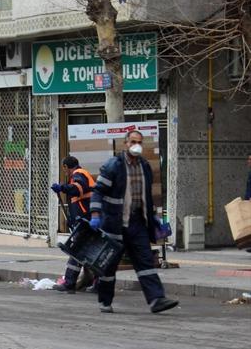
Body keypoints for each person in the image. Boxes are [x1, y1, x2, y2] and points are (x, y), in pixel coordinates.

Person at [90, 131, 179, 313]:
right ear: (125, 144)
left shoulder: (145, 166)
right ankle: (105, 301)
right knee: (110, 265)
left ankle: (156, 299)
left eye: (139, 142)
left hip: (137, 223)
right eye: (133, 141)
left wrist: (153, 216)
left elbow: (147, 195)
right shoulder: (113, 165)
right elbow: (98, 191)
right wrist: (95, 214)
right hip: (115, 224)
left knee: (145, 261)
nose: (136, 145)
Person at [50, 156, 96, 294]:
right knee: (90, 253)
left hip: (86, 220)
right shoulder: (80, 174)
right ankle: (96, 282)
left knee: (76, 251)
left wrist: (62, 188)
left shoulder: (79, 174)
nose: (64, 171)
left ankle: (70, 283)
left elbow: (77, 189)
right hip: (85, 219)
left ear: (65, 167)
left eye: (63, 168)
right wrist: (72, 219)